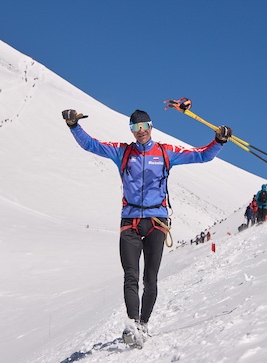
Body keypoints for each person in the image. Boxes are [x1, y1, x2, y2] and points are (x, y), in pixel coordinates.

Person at [61, 108, 232, 346]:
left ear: (151, 127)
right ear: (131, 130)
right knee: (130, 275)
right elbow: (91, 145)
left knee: (150, 279)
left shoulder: (165, 152)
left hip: (156, 221)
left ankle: (143, 323)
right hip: (129, 221)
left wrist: (219, 141)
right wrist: (74, 126)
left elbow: (201, 156)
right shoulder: (123, 151)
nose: (140, 131)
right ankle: (133, 324)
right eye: (135, 127)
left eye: (143, 126)